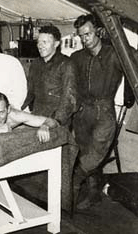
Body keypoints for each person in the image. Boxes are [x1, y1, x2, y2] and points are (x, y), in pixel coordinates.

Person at [70, 14, 123, 209]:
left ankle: (73, 182)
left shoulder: (114, 55)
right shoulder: (77, 58)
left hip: (104, 112)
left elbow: (133, 59)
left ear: (98, 31)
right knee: (85, 150)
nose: (85, 39)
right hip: (83, 113)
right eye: (81, 36)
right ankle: (93, 194)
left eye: (88, 34)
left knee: (93, 154)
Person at [22, 25, 78, 128]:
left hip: (57, 122)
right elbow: (30, 93)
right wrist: (21, 111)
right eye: (38, 42)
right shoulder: (35, 64)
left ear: (56, 44)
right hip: (36, 118)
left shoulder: (66, 64)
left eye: (45, 42)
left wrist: (55, 121)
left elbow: (69, 99)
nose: (40, 46)